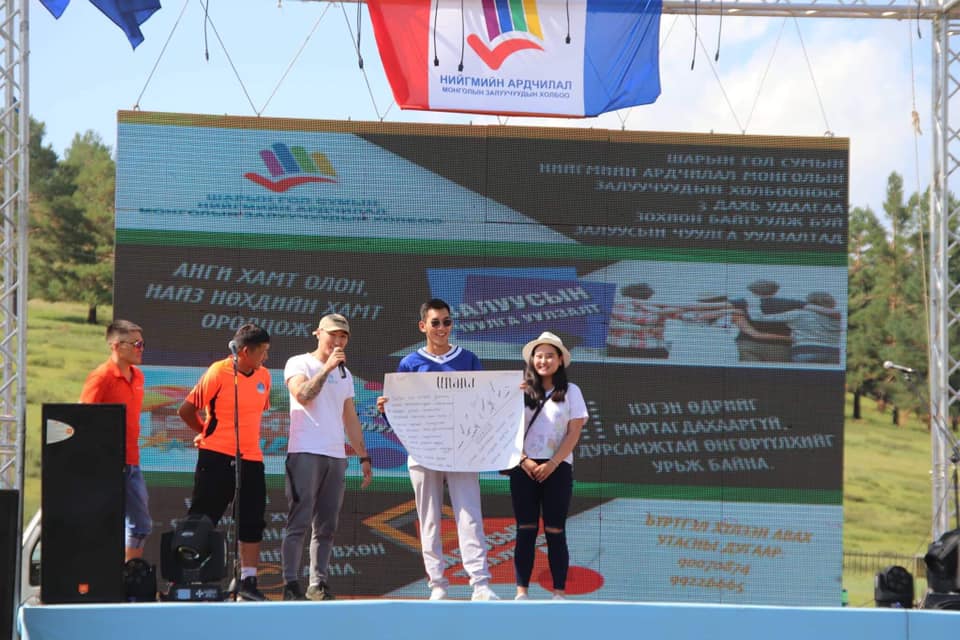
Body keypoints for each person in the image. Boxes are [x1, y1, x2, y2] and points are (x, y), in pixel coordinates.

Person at [377, 298, 499, 601]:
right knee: (429, 518)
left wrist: (508, 394)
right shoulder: (410, 364)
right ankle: (437, 584)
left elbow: (486, 403)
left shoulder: (468, 359)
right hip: (424, 450)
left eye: (447, 322)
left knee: (469, 515)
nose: (442, 328)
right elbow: (400, 412)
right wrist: (387, 408)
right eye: (435, 323)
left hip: (463, 449)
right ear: (423, 326)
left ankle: (480, 583)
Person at [280, 314, 373, 601]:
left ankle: (317, 583)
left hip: (335, 455)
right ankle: (290, 583)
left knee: (327, 526)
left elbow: (350, 418)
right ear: (318, 333)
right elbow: (303, 395)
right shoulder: (299, 363)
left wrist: (363, 455)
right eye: (333, 334)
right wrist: (327, 368)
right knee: (299, 521)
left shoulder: (346, 375)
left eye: (343, 336)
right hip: (305, 451)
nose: (338, 341)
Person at [177, 323, 272, 601]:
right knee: (204, 515)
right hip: (216, 456)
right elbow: (186, 410)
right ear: (245, 351)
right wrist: (205, 432)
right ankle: (189, 577)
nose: (266, 357)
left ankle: (248, 581)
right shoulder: (218, 372)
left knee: (252, 519)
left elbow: (256, 412)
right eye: (262, 351)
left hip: (251, 458)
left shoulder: (264, 376)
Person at [509, 332, 588, 601]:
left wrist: (553, 463)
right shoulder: (519, 390)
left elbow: (574, 432)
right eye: (539, 356)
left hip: (558, 468)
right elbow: (504, 430)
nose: (543, 361)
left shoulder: (572, 391)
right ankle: (521, 591)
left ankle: (559, 592)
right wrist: (524, 459)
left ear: (560, 360)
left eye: (549, 356)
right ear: (532, 360)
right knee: (525, 529)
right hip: (524, 467)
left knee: (555, 530)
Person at [79, 319, 152, 562]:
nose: (141, 349)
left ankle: (129, 575)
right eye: (136, 344)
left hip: (131, 462)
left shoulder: (138, 376)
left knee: (141, 524)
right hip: (104, 464)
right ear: (117, 346)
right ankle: (99, 575)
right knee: (102, 524)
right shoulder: (101, 377)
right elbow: (81, 419)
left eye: (142, 344)